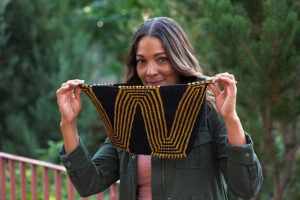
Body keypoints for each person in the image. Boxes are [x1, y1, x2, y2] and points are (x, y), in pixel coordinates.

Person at [57, 17, 263, 200]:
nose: (150, 71)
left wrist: (231, 119)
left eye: (161, 59)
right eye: (141, 61)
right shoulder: (128, 114)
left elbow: (247, 189)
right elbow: (89, 183)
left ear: (179, 60)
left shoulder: (207, 111)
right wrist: (68, 123)